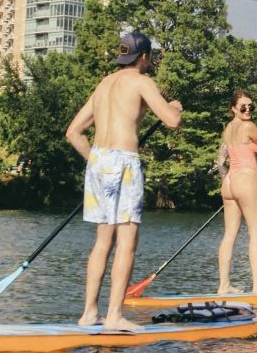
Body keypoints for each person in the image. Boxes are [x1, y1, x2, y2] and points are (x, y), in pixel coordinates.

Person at [65, 31, 182, 332]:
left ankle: (90, 312)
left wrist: (95, 161)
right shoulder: (142, 82)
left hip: (98, 160)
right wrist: (176, 108)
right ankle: (115, 315)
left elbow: (73, 132)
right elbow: (171, 121)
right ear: (143, 57)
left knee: (103, 241)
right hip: (123, 161)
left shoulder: (103, 84)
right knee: (127, 241)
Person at [216, 90, 257, 295]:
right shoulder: (249, 127)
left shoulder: (228, 128)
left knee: (229, 234)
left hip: (229, 182)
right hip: (245, 179)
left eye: (251, 106)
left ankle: (224, 286)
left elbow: (220, 161)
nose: (247, 110)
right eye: (243, 106)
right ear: (233, 108)